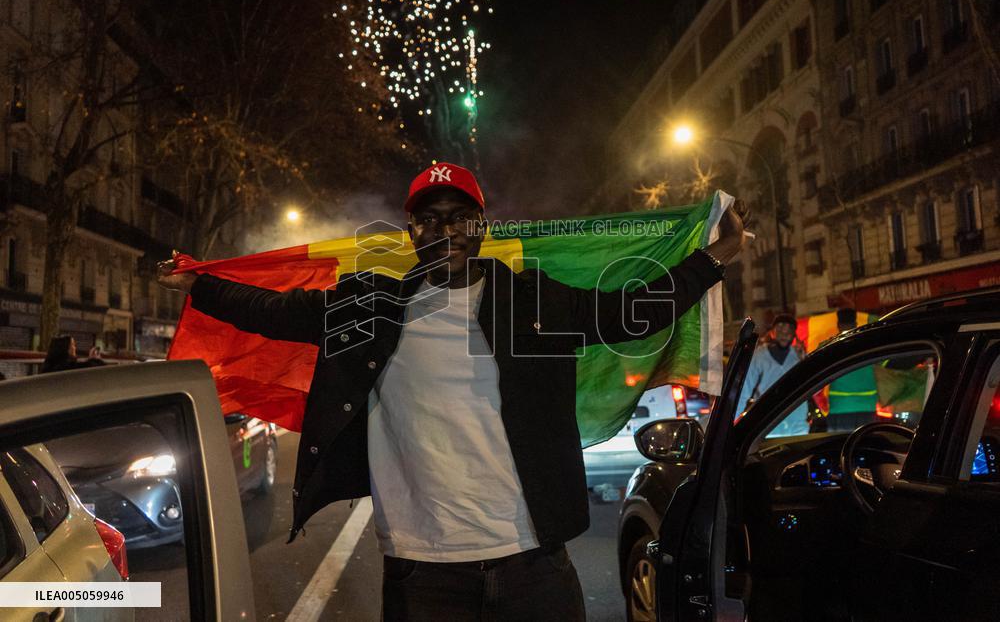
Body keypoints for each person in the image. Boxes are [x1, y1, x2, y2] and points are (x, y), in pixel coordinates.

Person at [156, 162, 752, 621]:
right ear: (412, 230)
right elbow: (272, 310)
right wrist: (197, 284)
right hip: (423, 576)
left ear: (481, 228)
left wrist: (715, 257)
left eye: (459, 218)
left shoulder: (531, 300)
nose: (445, 232)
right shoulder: (373, 306)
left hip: (534, 565)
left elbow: (630, 315)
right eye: (429, 218)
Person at [825, 307, 879, 431]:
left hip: (838, 407)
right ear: (856, 324)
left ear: (838, 325)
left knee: (840, 446)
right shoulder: (869, 345)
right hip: (867, 406)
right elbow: (890, 363)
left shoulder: (827, 346)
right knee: (866, 445)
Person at [40, 336, 106, 373]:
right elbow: (97, 367)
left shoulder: (50, 367)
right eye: (73, 345)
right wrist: (94, 359)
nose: (75, 348)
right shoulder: (68, 367)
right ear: (65, 348)